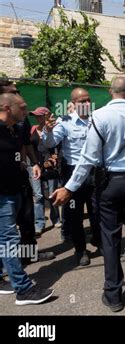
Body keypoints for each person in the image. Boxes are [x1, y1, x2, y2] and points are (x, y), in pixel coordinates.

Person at [51, 77, 125, 312]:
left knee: (110, 238)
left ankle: (114, 294)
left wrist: (69, 187)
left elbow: (89, 158)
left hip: (110, 183)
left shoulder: (100, 116)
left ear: (110, 92)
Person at [0, 92, 54, 305]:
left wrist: (31, 164)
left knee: (8, 238)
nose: (25, 111)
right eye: (22, 107)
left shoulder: (14, 128)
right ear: (6, 107)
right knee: (9, 240)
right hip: (2, 196)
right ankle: (23, 289)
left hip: (16, 189)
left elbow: (20, 151)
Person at [42, 88, 101, 266]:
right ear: (74, 104)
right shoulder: (65, 122)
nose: (87, 104)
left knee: (97, 211)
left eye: (88, 100)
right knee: (75, 214)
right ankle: (80, 249)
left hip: (94, 171)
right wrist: (47, 130)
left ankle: (98, 241)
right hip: (72, 172)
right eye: (82, 101)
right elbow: (50, 143)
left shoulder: (97, 120)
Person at [28, 107, 61, 233]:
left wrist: (54, 157)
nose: (37, 118)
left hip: (50, 167)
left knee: (53, 194)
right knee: (38, 195)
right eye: (36, 116)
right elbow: (28, 145)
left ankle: (56, 219)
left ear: (46, 116)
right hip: (34, 166)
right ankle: (39, 223)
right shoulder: (32, 129)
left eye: (40, 115)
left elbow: (58, 147)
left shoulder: (54, 129)